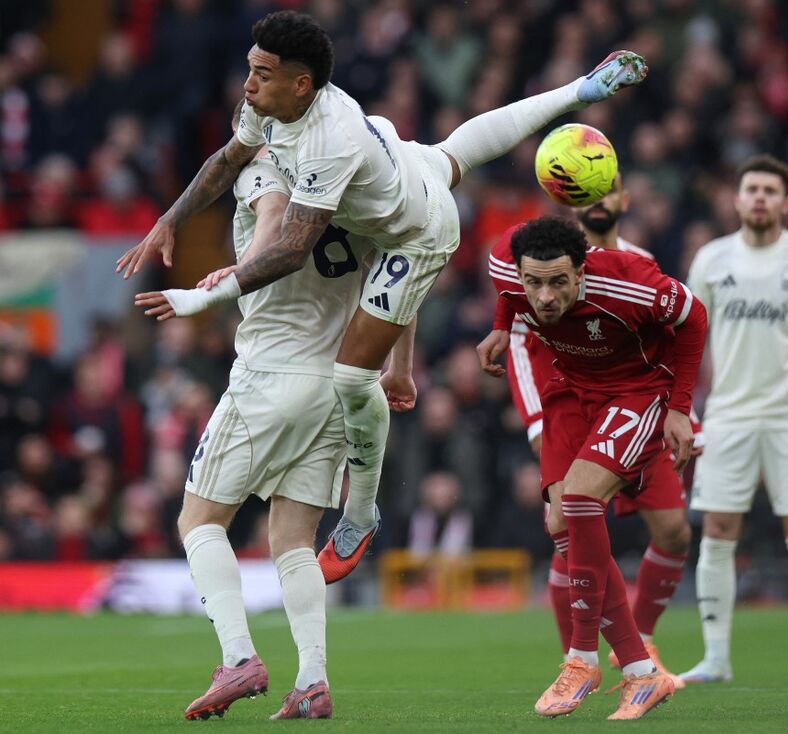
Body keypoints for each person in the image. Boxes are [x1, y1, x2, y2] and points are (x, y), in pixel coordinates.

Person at [119, 9, 648, 583]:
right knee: (459, 150)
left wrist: (205, 297)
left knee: (350, 378)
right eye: (250, 69)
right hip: (403, 170)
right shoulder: (270, 104)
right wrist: (170, 219)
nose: (247, 85)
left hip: (419, 234)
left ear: (301, 84)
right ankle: (580, 88)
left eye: (261, 74)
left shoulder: (330, 143)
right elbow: (228, 159)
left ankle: (360, 513)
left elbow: (293, 251)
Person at [137, 101, 370, 720]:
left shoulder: (263, 166)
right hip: (336, 382)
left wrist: (239, 272)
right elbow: (393, 280)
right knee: (293, 539)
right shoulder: (353, 186)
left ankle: (238, 656)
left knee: (198, 520)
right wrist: (396, 367)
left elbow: (270, 215)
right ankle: (313, 680)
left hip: (271, 373)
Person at [478, 217, 707, 719]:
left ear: (581, 272)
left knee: (583, 498)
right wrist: (501, 325)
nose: (544, 297)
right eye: (533, 282)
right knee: (562, 524)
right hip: (569, 389)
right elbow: (511, 293)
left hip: (638, 389)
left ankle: (581, 658)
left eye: (558, 282)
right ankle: (641, 672)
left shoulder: (631, 282)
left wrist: (679, 408)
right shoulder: (505, 266)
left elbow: (694, 317)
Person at [679, 155, 788, 686]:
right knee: (717, 529)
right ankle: (715, 658)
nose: (759, 198)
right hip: (727, 413)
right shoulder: (711, 259)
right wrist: (683, 402)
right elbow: (686, 335)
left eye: (770, 191)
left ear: (785, 202)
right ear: (736, 199)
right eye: (751, 188)